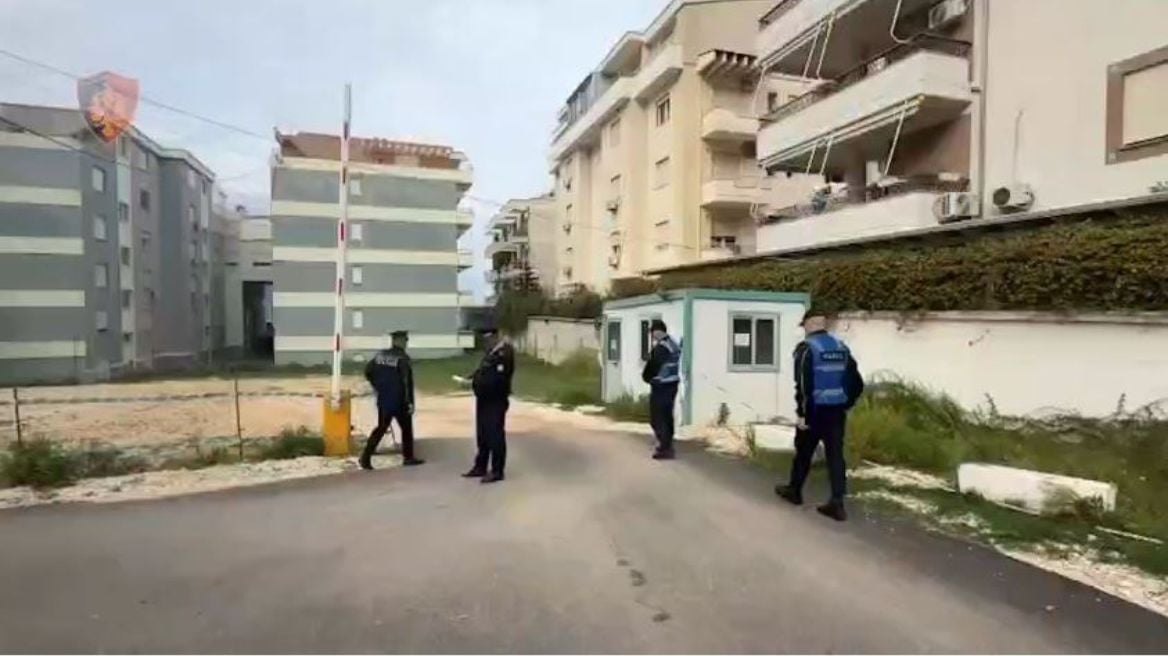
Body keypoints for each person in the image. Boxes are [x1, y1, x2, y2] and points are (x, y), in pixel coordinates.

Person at [776, 309, 864, 521]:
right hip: (836, 411)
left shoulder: (806, 349)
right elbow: (857, 383)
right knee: (835, 456)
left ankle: (795, 491)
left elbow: (803, 386)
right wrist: (846, 403)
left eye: (804, 326)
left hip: (814, 411)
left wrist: (802, 414)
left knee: (803, 452)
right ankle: (837, 503)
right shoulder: (841, 347)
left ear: (808, 324)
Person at [360, 330, 424, 469]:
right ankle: (408, 457)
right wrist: (410, 402)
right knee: (406, 429)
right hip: (399, 400)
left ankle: (365, 457)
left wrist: (377, 386)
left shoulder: (380, 356)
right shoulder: (403, 358)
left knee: (381, 428)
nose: (406, 343)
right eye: (405, 340)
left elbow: (368, 371)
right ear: (399, 341)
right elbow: (407, 382)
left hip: (384, 398)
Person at [462, 324, 515, 484]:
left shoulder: (504, 354)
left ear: (494, 336)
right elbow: (483, 370)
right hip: (484, 399)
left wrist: (474, 384)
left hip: (495, 400)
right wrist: (471, 378)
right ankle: (481, 466)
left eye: (487, 339)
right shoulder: (491, 352)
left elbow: (497, 380)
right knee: (483, 434)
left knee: (495, 435)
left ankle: (497, 470)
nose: (485, 343)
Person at [641, 318, 681, 460]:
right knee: (667, 416)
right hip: (672, 383)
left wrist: (646, 377)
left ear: (658, 331)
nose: (652, 336)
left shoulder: (662, 347)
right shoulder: (673, 344)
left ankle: (664, 448)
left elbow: (654, 365)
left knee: (658, 417)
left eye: (652, 332)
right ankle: (667, 445)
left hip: (662, 385)